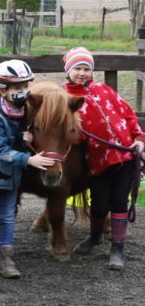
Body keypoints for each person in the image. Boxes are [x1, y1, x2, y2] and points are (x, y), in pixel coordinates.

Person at [0, 60, 57, 278]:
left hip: (11, 176)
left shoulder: (20, 112)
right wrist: (28, 160)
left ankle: (5, 258)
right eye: (18, 88)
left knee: (8, 216)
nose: (24, 92)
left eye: (26, 86)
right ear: (2, 90)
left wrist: (23, 137)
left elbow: (13, 139)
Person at [63, 47, 143, 270]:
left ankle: (117, 248)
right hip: (98, 161)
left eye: (86, 69)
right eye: (77, 68)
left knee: (119, 202)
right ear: (68, 71)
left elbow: (128, 113)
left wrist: (139, 139)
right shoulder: (67, 98)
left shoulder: (103, 89)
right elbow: (72, 136)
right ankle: (95, 236)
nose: (82, 73)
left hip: (126, 155)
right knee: (98, 205)